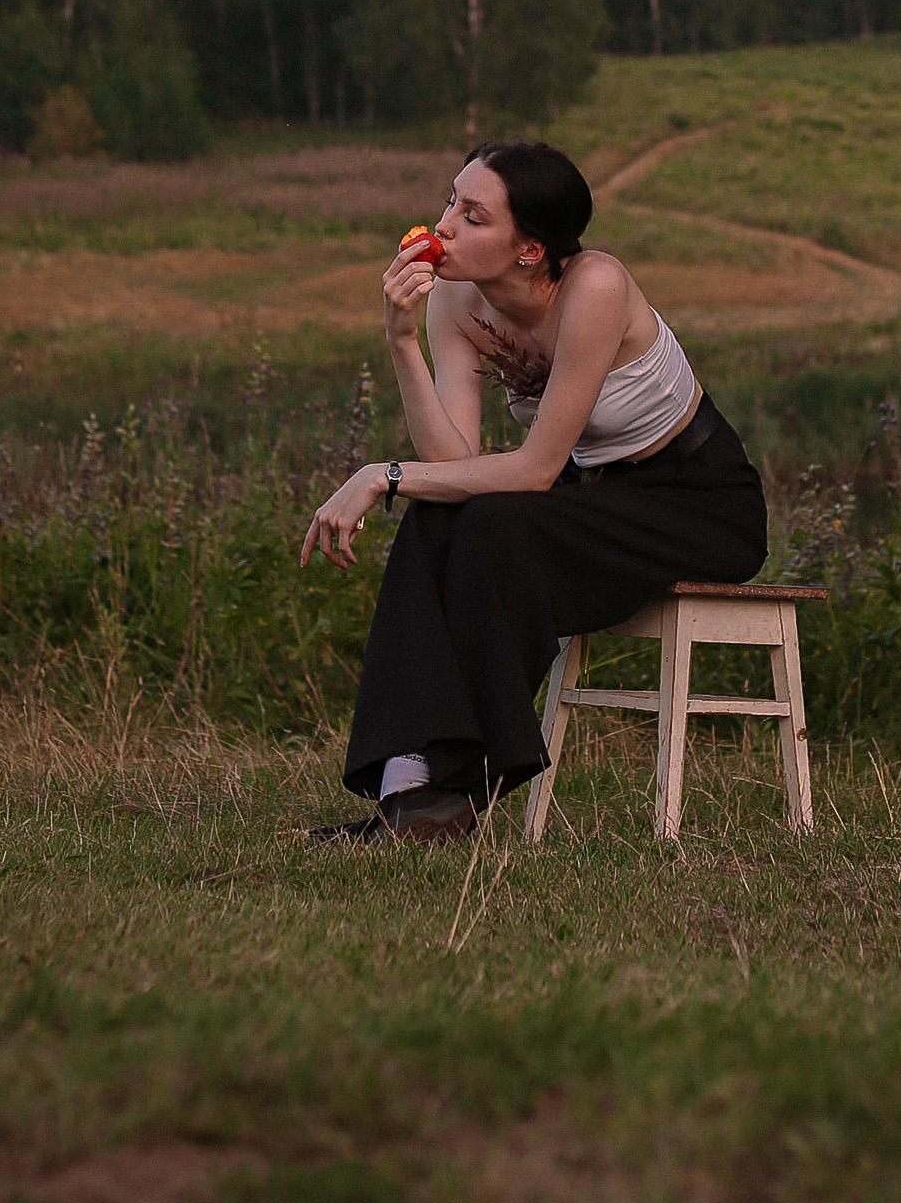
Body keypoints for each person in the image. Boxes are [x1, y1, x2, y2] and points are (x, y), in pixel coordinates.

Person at [301, 139, 768, 843]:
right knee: (437, 519)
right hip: (597, 500)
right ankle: (410, 791)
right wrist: (401, 343)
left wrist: (380, 476)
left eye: (474, 215)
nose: (445, 225)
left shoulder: (596, 287)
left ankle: (469, 779)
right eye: (449, 201)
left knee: (496, 526)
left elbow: (533, 471)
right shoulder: (456, 297)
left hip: (698, 501)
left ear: (528, 249)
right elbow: (452, 462)